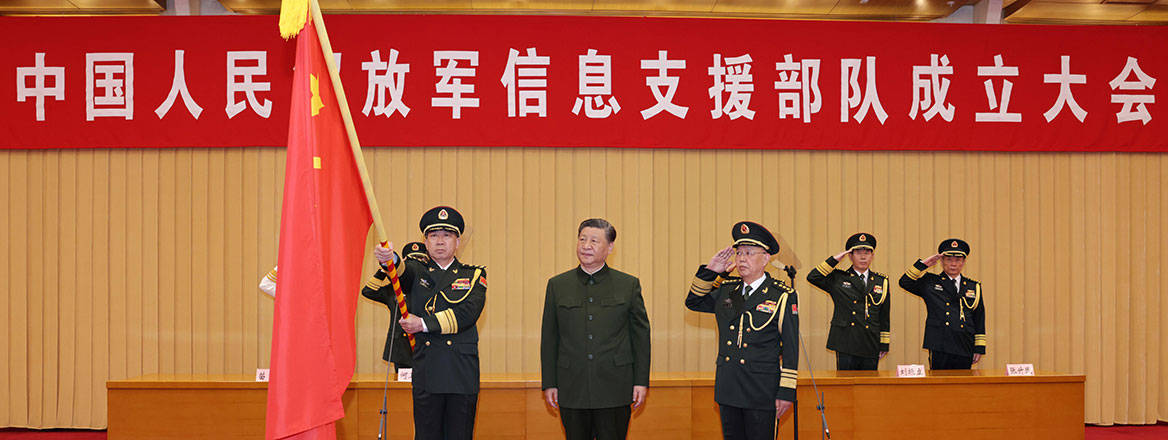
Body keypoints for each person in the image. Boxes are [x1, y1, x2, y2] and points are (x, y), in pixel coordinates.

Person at [366, 206, 486, 440]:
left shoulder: (473, 275)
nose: (440, 241)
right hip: (427, 371)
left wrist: (423, 324)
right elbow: (401, 270)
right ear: (425, 241)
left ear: (458, 241)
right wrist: (389, 258)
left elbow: (467, 314)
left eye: (446, 235)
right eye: (433, 236)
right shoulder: (417, 272)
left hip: (460, 373)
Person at [685, 221, 799, 440]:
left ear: (766, 258)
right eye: (738, 253)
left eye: (749, 253)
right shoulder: (728, 290)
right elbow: (694, 302)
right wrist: (710, 272)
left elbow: (791, 347)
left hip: (762, 390)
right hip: (729, 387)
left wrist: (786, 391)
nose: (741, 258)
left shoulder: (781, 295)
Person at [541, 218, 651, 440]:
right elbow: (550, 337)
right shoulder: (557, 285)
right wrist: (550, 382)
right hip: (572, 385)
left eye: (594, 241)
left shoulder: (628, 284)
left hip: (614, 386)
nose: (586, 246)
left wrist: (641, 380)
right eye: (582, 239)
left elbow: (640, 337)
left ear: (610, 247)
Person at [806, 233, 891, 370]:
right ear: (850, 256)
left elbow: (884, 315)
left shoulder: (881, 281)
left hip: (870, 341)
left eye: (867, 253)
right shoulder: (838, 278)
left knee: (869, 386)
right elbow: (813, 277)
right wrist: (834, 260)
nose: (863, 257)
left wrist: (884, 344)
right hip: (846, 341)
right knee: (845, 385)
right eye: (858, 253)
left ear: (872, 256)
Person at [899, 238, 986, 370]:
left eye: (958, 260)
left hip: (964, 343)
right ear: (942, 261)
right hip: (940, 343)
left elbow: (979, 317)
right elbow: (905, 282)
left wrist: (979, 347)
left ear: (963, 262)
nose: (953, 264)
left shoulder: (973, 286)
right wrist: (923, 265)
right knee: (938, 385)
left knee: (963, 386)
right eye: (949, 259)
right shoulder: (930, 282)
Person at [361, 241, 429, 372]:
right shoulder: (394, 289)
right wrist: (385, 270)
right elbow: (368, 291)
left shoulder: (432, 286)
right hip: (401, 348)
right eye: (412, 260)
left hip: (425, 345)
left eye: (421, 259)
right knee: (402, 390)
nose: (417, 264)